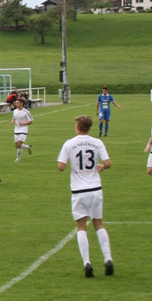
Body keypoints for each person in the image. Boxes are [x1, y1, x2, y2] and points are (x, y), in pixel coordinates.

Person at [57, 115, 114, 277]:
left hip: (78, 191)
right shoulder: (97, 142)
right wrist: (101, 167)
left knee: (81, 227)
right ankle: (108, 258)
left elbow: (61, 166)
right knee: (99, 224)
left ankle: (87, 263)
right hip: (96, 188)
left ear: (78, 127)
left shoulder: (69, 143)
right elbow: (108, 163)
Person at [10, 97, 34, 162]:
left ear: (21, 103)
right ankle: (27, 147)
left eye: (18, 103)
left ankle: (18, 159)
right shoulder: (15, 111)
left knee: (19, 144)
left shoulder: (26, 112)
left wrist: (23, 123)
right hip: (16, 129)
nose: (16, 104)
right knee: (17, 146)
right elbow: (14, 118)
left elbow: (31, 121)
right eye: (16, 103)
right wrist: (12, 121)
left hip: (24, 130)